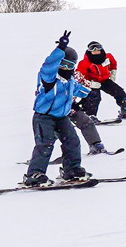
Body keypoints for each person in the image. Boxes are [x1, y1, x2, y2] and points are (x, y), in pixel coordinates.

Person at [21, 31, 92, 187]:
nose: (66, 68)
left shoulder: (70, 81)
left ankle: (71, 170)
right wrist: (60, 49)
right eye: (63, 64)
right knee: (45, 144)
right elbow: (48, 66)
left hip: (61, 117)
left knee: (72, 141)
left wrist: (89, 90)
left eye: (70, 65)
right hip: (43, 117)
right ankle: (34, 174)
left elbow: (79, 90)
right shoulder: (49, 79)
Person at [76, 41, 126, 121]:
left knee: (118, 91)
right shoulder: (84, 63)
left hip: (105, 80)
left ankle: (125, 109)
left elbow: (113, 64)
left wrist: (113, 73)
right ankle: (90, 116)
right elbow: (80, 77)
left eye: (98, 48)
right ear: (89, 51)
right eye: (93, 49)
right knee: (94, 97)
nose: (96, 51)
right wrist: (90, 84)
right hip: (93, 83)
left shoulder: (107, 57)